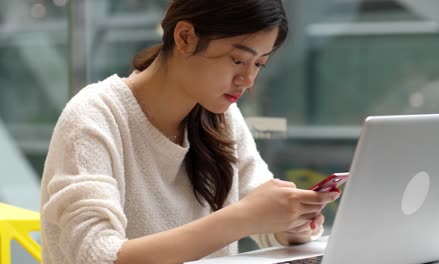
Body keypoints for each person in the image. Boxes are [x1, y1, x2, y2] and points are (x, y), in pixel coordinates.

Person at [40, 1, 341, 263]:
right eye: (238, 59)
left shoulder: (220, 117)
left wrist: (289, 224)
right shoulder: (94, 116)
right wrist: (245, 217)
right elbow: (97, 257)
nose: (248, 79)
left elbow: (261, 212)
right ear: (185, 37)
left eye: (259, 64)